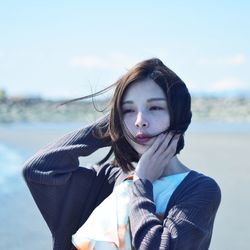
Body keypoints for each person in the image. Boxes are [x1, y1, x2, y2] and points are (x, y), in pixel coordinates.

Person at [22, 58, 221, 250]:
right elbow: (39, 169)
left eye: (154, 107)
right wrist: (114, 125)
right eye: (128, 110)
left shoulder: (199, 189)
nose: (139, 121)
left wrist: (142, 184)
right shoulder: (112, 178)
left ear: (177, 114)